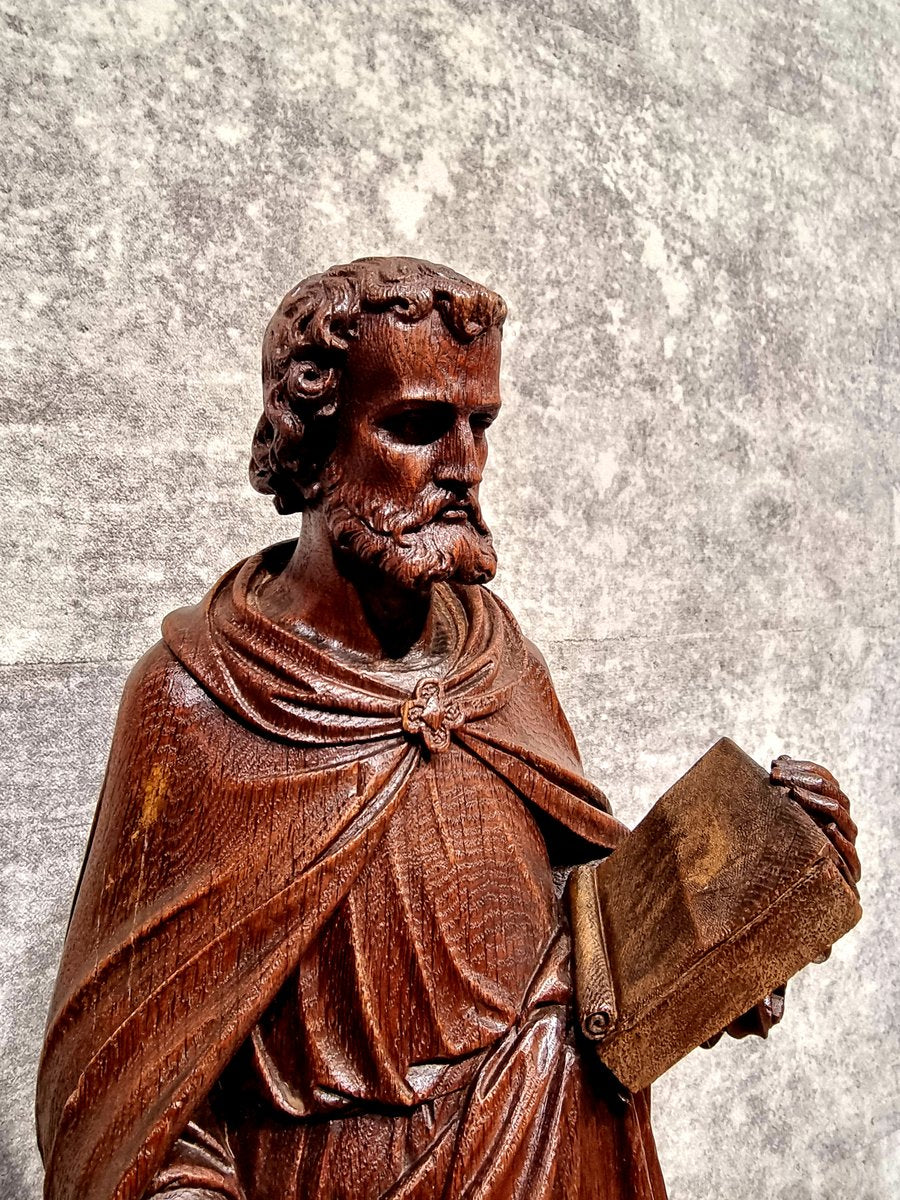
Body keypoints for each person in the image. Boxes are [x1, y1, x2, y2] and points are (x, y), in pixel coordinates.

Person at [36, 257, 860, 1200]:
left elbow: (596, 934)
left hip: (556, 1150)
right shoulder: (199, 703)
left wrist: (750, 893)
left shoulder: (496, 662)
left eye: (482, 427)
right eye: (418, 426)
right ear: (312, 444)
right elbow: (120, 1081)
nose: (463, 466)